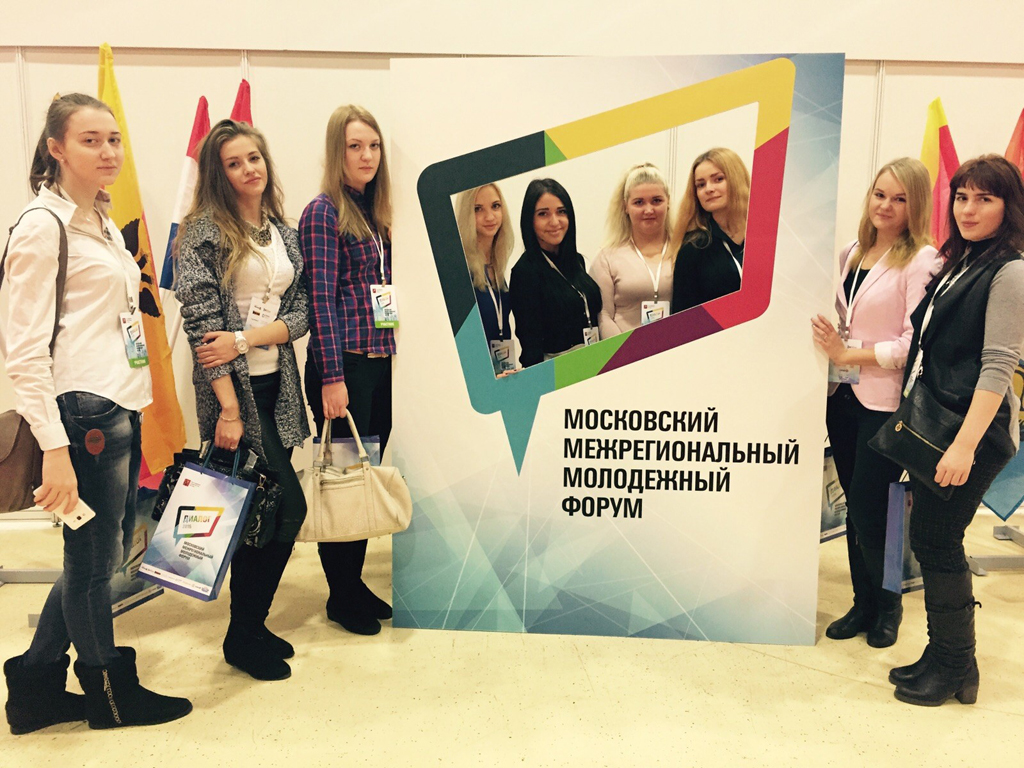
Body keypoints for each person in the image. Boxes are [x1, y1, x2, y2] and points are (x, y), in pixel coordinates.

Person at [2, 94, 191, 732]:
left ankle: (34, 690)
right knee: (92, 563)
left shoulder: (100, 219)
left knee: (97, 554)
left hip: (118, 402)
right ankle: (111, 697)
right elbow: (23, 351)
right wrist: (53, 447)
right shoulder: (42, 227)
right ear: (56, 148)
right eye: (90, 140)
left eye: (114, 139)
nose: (109, 151)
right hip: (81, 416)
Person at [175, 119, 310, 681]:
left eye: (254, 157)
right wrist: (228, 410)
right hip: (236, 395)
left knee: (267, 510)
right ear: (218, 173)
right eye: (234, 162)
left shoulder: (281, 230)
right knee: (284, 508)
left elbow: (300, 313)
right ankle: (242, 633)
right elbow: (202, 327)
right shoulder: (202, 233)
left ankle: (250, 627)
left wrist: (246, 338)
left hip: (278, 385)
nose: (249, 169)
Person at [887, 155, 1024, 707]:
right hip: (941, 421)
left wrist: (964, 447)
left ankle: (954, 668)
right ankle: (946, 656)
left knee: (939, 540)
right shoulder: (963, 259)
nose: (969, 209)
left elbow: (999, 365)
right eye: (962, 197)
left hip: (973, 432)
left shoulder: (1010, 270)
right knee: (931, 538)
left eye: (984, 199)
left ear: (1008, 207)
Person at [810, 157, 940, 648]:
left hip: (883, 401)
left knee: (873, 507)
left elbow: (914, 343)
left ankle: (889, 606)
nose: (885, 205)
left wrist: (851, 354)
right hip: (840, 394)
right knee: (854, 504)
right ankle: (862, 603)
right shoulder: (852, 251)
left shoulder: (922, 258)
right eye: (880, 194)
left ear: (916, 205)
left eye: (899, 198)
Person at [300, 104, 395, 636]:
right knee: (341, 481)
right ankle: (340, 595)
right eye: (355, 146)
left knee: (361, 476)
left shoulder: (375, 213)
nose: (366, 156)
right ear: (337, 151)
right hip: (346, 368)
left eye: (373, 146)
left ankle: (352, 583)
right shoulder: (324, 212)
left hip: (379, 363)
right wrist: (333, 378)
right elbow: (321, 300)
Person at [509, 178, 601, 366]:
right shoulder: (524, 273)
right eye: (543, 214)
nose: (555, 221)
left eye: (561, 212)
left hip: (595, 359)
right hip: (560, 370)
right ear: (530, 220)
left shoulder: (577, 261)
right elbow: (530, 343)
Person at [590, 163, 674, 336]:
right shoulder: (606, 257)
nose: (648, 210)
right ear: (625, 207)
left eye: (656, 200)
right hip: (625, 349)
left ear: (668, 202)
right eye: (639, 202)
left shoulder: (685, 250)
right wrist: (627, 350)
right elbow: (603, 315)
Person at [670, 148, 750, 313]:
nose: (708, 189)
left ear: (737, 180)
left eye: (718, 179)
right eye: (701, 184)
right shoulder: (693, 247)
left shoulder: (766, 235)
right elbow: (682, 316)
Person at [455, 183, 515, 374]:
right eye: (477, 209)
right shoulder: (460, 269)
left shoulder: (496, 265)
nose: (489, 217)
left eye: (495, 206)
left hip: (503, 373)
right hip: (474, 375)